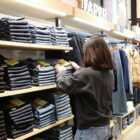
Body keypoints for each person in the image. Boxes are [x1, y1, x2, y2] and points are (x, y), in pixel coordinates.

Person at [55, 37, 115, 140]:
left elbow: (63, 85)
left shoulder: (85, 75)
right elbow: (92, 79)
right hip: (105, 127)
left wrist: (61, 72)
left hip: (89, 131)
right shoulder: (109, 73)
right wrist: (79, 69)